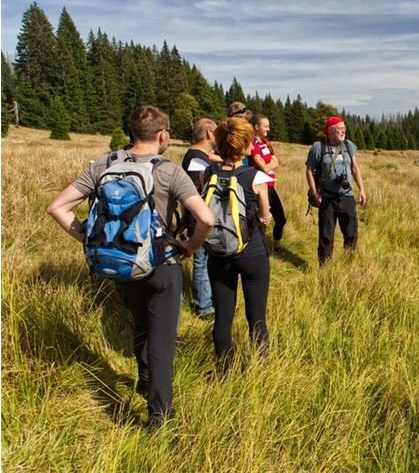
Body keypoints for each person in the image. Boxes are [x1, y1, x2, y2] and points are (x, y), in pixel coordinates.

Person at [47, 106, 214, 427]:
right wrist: (190, 246)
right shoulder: (169, 171)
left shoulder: (103, 165)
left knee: (140, 323)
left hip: (121, 263)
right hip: (162, 264)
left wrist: (88, 238)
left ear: (132, 133)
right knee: (162, 339)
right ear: (163, 135)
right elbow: (206, 219)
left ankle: (143, 380)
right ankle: (159, 415)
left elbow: (57, 207)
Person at [207, 116, 273, 372]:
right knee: (256, 316)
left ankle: (224, 369)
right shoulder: (255, 176)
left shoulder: (207, 173)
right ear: (245, 146)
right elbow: (264, 217)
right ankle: (261, 369)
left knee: (223, 316)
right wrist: (264, 216)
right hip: (251, 251)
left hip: (218, 251)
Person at [305, 116, 367, 265]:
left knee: (351, 234)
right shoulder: (318, 147)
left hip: (347, 197)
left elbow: (354, 168)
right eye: (340, 129)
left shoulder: (348, 145)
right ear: (331, 131)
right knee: (326, 236)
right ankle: (325, 268)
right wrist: (314, 193)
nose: (343, 131)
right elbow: (309, 170)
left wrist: (362, 190)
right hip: (327, 199)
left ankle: (349, 265)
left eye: (344, 129)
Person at [181, 118, 222, 319]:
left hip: (198, 216)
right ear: (208, 134)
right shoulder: (196, 160)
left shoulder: (199, 156)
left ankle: (208, 300)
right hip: (198, 218)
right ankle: (203, 307)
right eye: (216, 132)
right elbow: (196, 191)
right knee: (202, 262)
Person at [244, 114, 286, 252]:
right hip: (262, 188)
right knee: (263, 220)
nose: (268, 129)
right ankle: (259, 250)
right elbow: (264, 167)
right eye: (265, 126)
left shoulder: (266, 142)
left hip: (271, 187)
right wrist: (269, 164)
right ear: (256, 127)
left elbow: (276, 162)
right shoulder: (252, 144)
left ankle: (276, 246)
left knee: (281, 219)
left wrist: (268, 165)